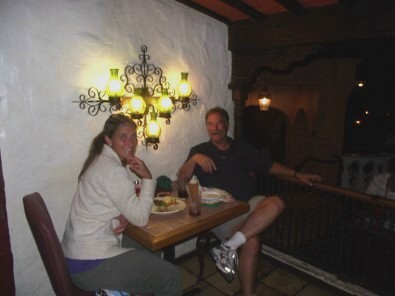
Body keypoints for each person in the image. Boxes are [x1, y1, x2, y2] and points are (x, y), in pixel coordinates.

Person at [178, 106, 322, 296]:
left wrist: (297, 174)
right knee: (251, 242)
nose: (215, 128)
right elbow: (182, 180)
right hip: (221, 212)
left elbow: (269, 166)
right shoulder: (199, 150)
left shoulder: (242, 148)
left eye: (219, 123)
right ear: (207, 127)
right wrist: (194, 159)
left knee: (277, 202)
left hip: (248, 202)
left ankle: (226, 248)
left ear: (227, 125)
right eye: (210, 124)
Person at [62, 114, 182, 295]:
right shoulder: (113, 170)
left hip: (78, 253)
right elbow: (141, 218)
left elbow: (106, 203)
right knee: (171, 275)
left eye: (133, 135)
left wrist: (124, 214)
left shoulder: (99, 159)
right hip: (90, 265)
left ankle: (139, 286)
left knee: (152, 247)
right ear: (108, 140)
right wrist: (148, 177)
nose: (131, 142)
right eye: (123, 137)